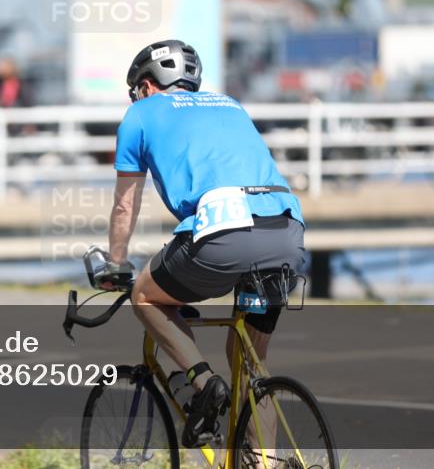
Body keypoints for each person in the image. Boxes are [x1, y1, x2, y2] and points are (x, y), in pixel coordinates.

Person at [95, 39, 306, 449]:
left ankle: (203, 383)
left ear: (149, 85)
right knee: (250, 365)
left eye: (137, 88)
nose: (137, 97)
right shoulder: (229, 103)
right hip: (285, 233)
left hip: (223, 236)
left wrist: (115, 261)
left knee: (145, 295)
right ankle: (263, 460)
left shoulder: (140, 113)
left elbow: (125, 205)